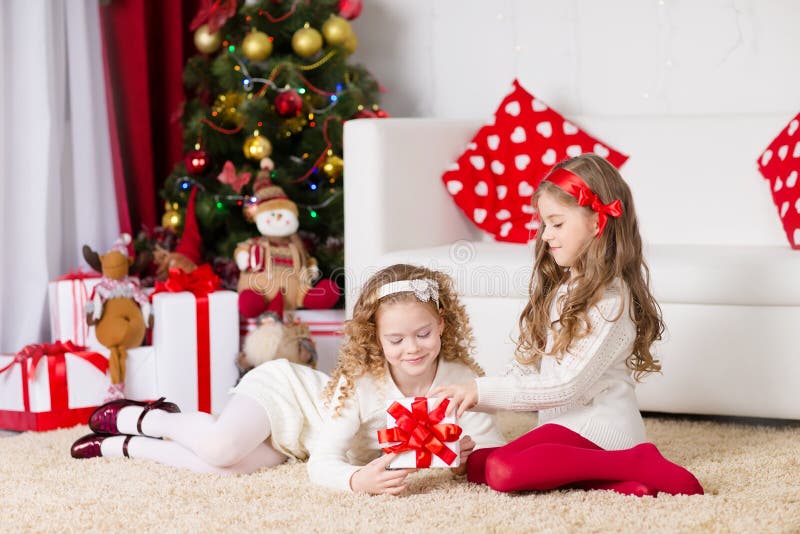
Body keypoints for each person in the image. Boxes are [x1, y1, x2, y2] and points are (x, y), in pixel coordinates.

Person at [71, 264, 505, 495]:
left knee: (222, 471)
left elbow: (493, 447)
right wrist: (356, 481)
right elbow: (326, 462)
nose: (412, 349)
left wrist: (468, 455)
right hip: (286, 395)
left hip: (298, 441)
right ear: (376, 337)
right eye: (396, 339)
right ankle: (148, 418)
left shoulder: (458, 380)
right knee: (222, 447)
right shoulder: (362, 382)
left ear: (443, 325)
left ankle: (121, 446)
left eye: (423, 334)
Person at [433, 154, 704, 497]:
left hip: (602, 431)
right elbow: (526, 372)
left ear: (597, 222)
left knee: (503, 472)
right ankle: (617, 483)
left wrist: (480, 389)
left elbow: (565, 387)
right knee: (474, 466)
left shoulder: (610, 301)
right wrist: (466, 397)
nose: (546, 235)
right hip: (564, 428)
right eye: (544, 224)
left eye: (557, 224)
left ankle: (633, 462)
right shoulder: (564, 287)